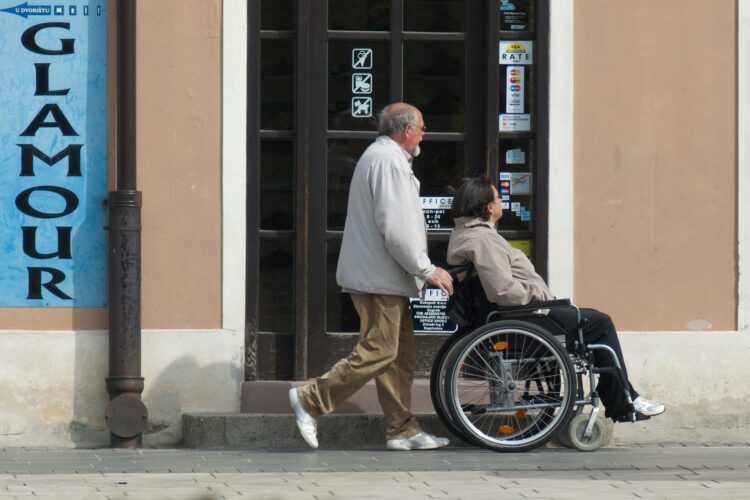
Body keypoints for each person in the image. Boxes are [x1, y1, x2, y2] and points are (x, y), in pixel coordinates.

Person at [289, 103, 455, 450]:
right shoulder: (389, 162)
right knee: (380, 350)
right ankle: (311, 399)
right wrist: (426, 268)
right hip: (380, 277)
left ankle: (402, 429)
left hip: (384, 276)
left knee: (398, 356)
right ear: (405, 130)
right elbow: (397, 228)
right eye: (422, 127)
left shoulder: (384, 158)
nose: (425, 133)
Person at [446, 177, 665, 422]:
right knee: (600, 323)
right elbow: (503, 291)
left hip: (517, 316)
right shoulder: (483, 240)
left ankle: (619, 393)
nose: (501, 201)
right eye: (498, 197)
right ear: (488, 206)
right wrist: (538, 295)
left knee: (589, 316)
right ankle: (623, 397)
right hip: (521, 316)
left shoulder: (469, 235)